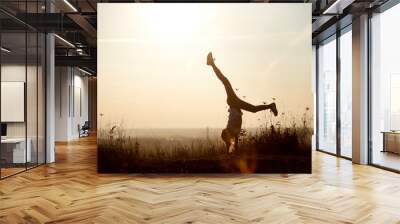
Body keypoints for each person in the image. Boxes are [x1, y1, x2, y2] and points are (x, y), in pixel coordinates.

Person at [207, 52, 278, 153]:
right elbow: (233, 144)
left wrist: (230, 149)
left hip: (233, 103)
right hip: (234, 104)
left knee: (225, 82)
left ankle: (212, 64)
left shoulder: (231, 130)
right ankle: (271, 105)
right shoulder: (233, 132)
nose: (229, 141)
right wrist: (231, 150)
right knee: (253, 108)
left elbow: (232, 143)